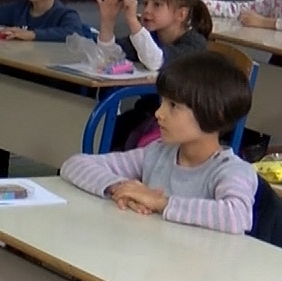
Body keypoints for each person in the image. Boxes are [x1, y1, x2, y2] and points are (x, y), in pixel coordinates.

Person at [60, 51, 258, 234]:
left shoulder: (233, 170)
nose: (158, 113)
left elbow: (237, 216)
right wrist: (122, 188)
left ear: (216, 114)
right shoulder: (157, 153)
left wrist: (160, 202)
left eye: (173, 106)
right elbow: (75, 164)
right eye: (161, 102)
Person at [92, 0, 213, 71]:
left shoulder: (195, 45)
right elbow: (112, 57)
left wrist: (133, 22)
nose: (147, 10)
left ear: (181, 14)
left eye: (157, 4)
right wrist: (107, 22)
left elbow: (156, 62)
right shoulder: (152, 36)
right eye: (145, 3)